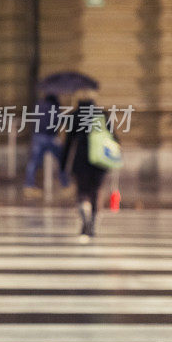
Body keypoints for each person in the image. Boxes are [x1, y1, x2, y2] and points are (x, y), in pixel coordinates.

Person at [62, 91, 110, 237]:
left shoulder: (74, 116)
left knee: (82, 193)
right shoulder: (102, 115)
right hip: (100, 161)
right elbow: (114, 138)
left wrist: (64, 165)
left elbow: (68, 143)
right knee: (96, 192)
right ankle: (94, 225)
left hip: (81, 160)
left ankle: (85, 222)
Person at [23, 93, 70, 195]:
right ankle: (65, 185)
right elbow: (58, 121)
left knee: (33, 163)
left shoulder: (38, 105)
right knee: (62, 160)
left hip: (37, 137)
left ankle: (29, 186)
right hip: (50, 137)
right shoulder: (54, 107)